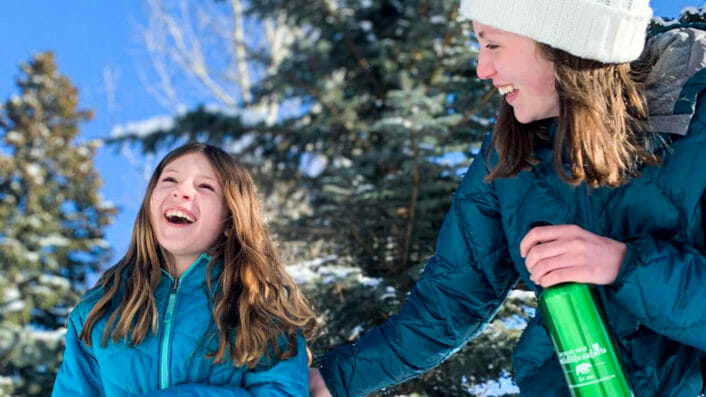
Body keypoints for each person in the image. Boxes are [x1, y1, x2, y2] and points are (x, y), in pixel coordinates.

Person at [310, 0, 706, 396]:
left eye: (493, 45)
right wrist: (331, 381)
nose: (483, 69)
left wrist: (625, 266)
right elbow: (449, 303)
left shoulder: (697, 122)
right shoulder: (513, 151)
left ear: (561, 42)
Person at [53, 143, 316, 396]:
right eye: (169, 180)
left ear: (230, 220)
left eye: (205, 186)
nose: (182, 191)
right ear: (150, 204)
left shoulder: (261, 308)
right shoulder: (99, 309)